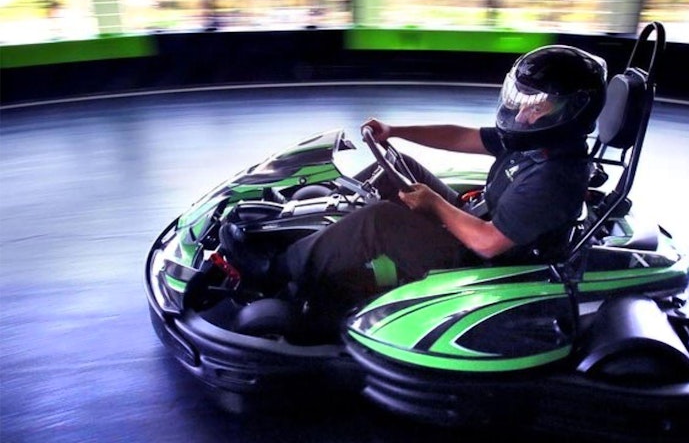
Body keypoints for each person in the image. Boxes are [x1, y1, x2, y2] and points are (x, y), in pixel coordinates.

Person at [220, 45, 608, 335]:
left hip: (484, 265)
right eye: (525, 103)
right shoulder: (536, 142)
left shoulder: (555, 175)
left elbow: (490, 244)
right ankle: (333, 234)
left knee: (381, 220)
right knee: (402, 168)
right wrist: (396, 132)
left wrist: (434, 205)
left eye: (540, 106)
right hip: (480, 220)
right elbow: (464, 136)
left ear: (572, 111)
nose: (524, 113)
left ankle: (276, 269)